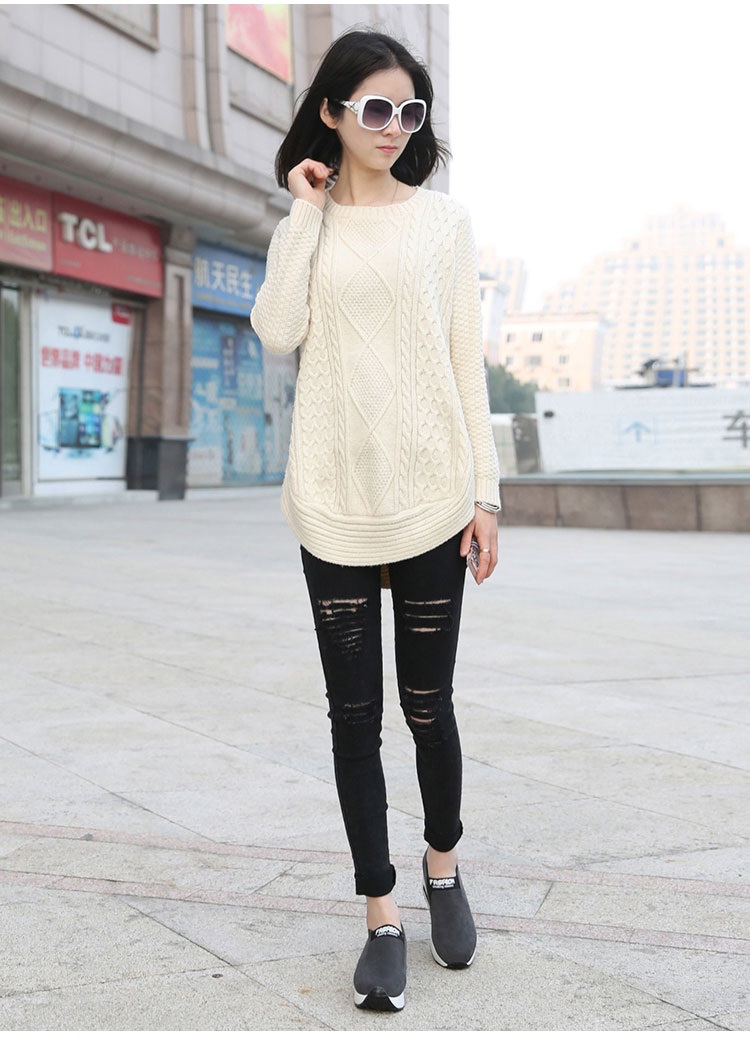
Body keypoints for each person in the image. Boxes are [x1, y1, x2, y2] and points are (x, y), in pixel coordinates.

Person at [251, 27, 500, 1013]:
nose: (395, 126)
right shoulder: (307, 222)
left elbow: (465, 364)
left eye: (410, 110)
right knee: (352, 718)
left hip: (434, 496)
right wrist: (304, 211)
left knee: (427, 706)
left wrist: (486, 496)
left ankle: (442, 865)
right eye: (376, 108)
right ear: (333, 112)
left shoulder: (443, 224)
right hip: (333, 501)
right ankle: (381, 914)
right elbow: (278, 331)